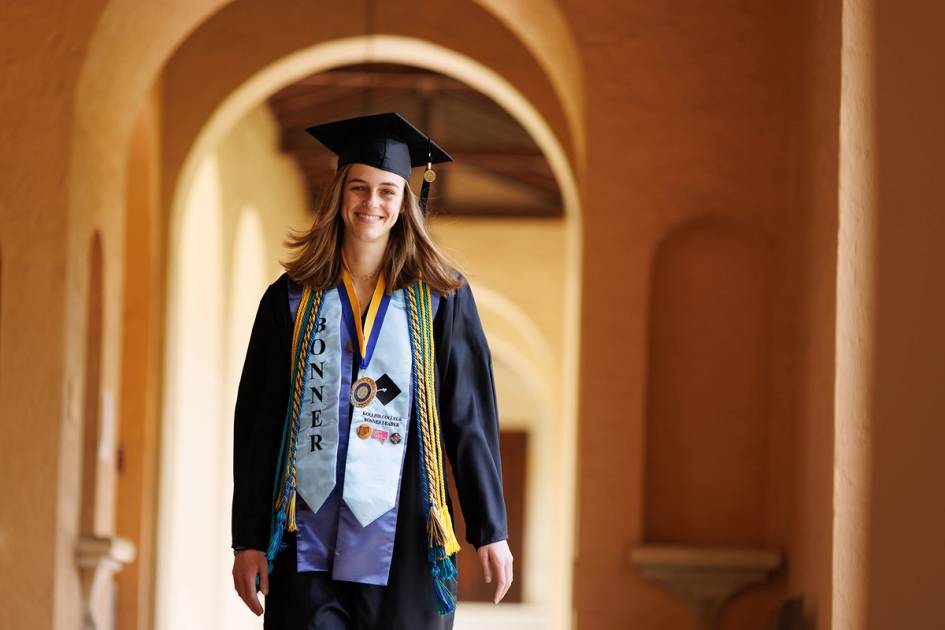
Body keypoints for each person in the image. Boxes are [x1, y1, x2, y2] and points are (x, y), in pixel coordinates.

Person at [230, 112, 513, 629]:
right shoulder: (290, 300)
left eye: (387, 191)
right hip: (305, 534)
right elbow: (258, 422)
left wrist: (490, 528)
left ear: (405, 201)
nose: (372, 203)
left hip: (406, 529)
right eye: (359, 187)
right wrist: (248, 538)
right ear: (339, 193)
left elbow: (467, 417)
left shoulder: (441, 299)